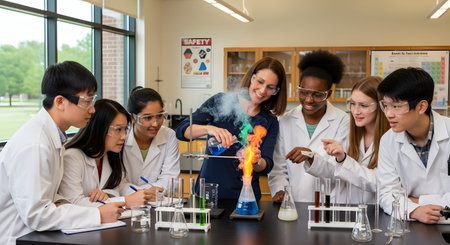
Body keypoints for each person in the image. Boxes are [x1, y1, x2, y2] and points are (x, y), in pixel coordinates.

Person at [0, 61, 124, 245]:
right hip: (17, 236)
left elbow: (47, 193)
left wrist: (62, 202)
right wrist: (96, 214)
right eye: (87, 101)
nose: (92, 109)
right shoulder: (35, 143)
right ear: (60, 102)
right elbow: (36, 214)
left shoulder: (53, 136)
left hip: (35, 236)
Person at [176, 57, 287, 200]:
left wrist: (256, 160)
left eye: (270, 87)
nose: (262, 90)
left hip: (246, 198)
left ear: (276, 91)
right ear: (251, 78)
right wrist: (209, 129)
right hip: (208, 193)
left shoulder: (270, 121)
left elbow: (267, 165)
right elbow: (181, 131)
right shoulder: (220, 101)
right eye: (260, 82)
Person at [268, 50, 349, 202]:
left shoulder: (342, 121)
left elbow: (342, 170)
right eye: (303, 92)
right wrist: (280, 189)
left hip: (328, 205)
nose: (309, 100)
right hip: (292, 204)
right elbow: (278, 169)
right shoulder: (285, 120)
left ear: (328, 94)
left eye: (317, 94)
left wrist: (311, 157)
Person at [377, 67, 450, 224]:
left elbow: (397, 200)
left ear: (421, 107)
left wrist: (417, 201)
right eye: (385, 105)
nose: (388, 113)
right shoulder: (388, 141)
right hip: (410, 227)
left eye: (396, 106)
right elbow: (387, 193)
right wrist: (414, 210)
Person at [309, 76, 389, 204]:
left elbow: (380, 182)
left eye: (363, 105)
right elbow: (334, 172)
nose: (355, 111)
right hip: (341, 209)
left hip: (372, 212)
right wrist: (310, 158)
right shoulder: (347, 133)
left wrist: (344, 160)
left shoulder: (391, 140)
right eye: (352, 104)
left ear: (380, 106)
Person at [59, 99, 149, 207]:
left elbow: (117, 187)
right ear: (100, 128)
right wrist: (125, 201)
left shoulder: (109, 155)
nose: (124, 136)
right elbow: (73, 203)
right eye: (118, 129)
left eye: (125, 129)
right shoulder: (72, 157)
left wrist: (106, 195)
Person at [123, 87, 179, 199]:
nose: (155, 124)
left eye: (159, 116)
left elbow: (171, 179)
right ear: (132, 118)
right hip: (126, 205)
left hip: (158, 203)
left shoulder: (169, 135)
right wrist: (146, 193)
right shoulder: (121, 138)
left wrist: (147, 193)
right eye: (148, 118)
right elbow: (117, 183)